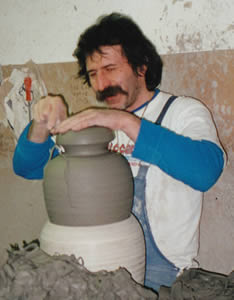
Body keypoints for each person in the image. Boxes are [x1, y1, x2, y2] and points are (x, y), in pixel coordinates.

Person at [13, 13, 226, 292]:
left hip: (163, 278)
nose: (101, 84)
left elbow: (206, 172)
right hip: (93, 271)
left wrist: (125, 122)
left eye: (110, 68)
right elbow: (27, 168)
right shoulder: (93, 126)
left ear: (141, 66)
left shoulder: (182, 112)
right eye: (92, 74)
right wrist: (41, 123)